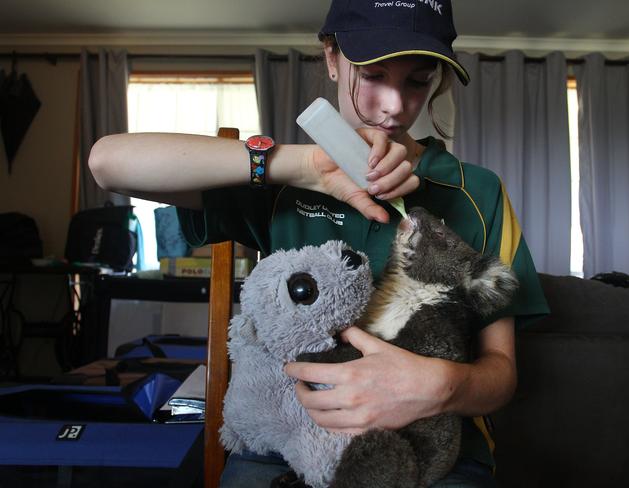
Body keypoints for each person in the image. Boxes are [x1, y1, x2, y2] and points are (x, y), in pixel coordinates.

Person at [89, 1, 549, 486]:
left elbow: (501, 374)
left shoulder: (476, 192)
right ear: (331, 58)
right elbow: (107, 163)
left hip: (432, 454)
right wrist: (305, 166)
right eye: (373, 74)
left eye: (418, 80)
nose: (394, 105)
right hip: (285, 443)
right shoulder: (284, 181)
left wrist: (442, 385)